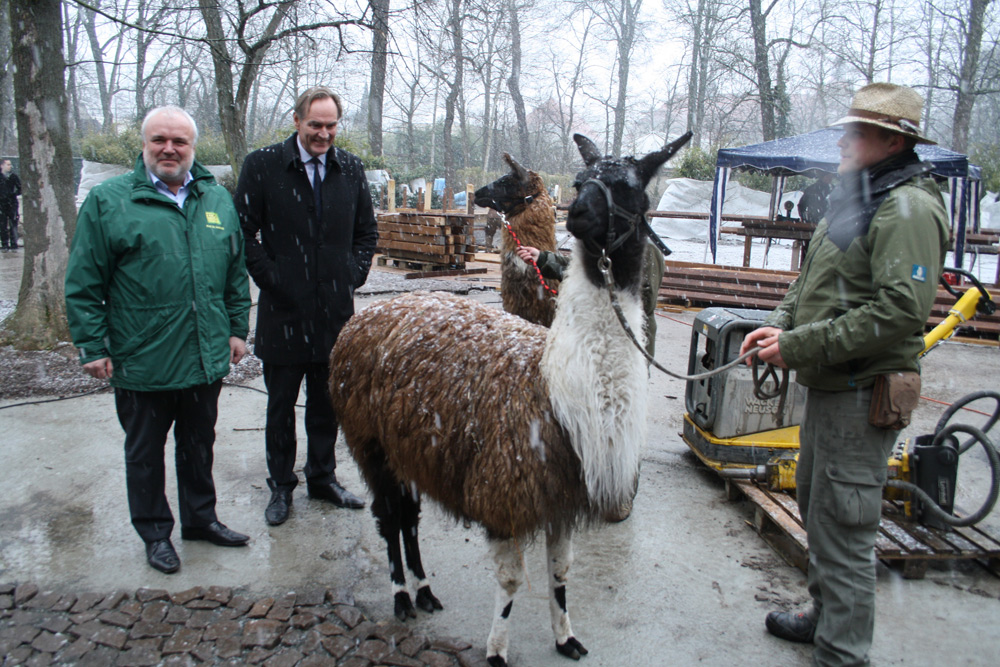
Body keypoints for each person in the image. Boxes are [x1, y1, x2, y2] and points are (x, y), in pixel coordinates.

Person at [739, 83, 949, 665]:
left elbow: (899, 312)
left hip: (862, 394)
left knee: (848, 527)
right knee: (817, 504)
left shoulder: (907, 207)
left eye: (854, 131)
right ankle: (824, 613)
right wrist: (780, 323)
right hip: (832, 386)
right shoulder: (860, 197)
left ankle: (842, 651)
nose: (842, 140)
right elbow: (812, 283)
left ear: (889, 139)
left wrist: (799, 343)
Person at [65, 106, 252, 574]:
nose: (169, 149)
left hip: (204, 352)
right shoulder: (110, 201)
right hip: (141, 357)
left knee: (198, 446)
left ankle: (200, 520)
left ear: (193, 147)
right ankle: (154, 534)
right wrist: (93, 345)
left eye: (179, 141)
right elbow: (84, 279)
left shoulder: (215, 201)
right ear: (144, 145)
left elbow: (234, 271)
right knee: (145, 453)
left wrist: (235, 328)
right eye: (159, 140)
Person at [235, 86, 378, 527]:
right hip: (283, 313)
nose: (323, 133)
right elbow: (243, 234)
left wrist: (351, 275)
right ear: (297, 121)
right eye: (315, 124)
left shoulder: (350, 170)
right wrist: (273, 278)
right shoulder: (264, 166)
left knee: (326, 404)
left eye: (331, 125)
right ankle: (281, 486)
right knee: (279, 406)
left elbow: (366, 234)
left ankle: (322, 477)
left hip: (334, 315)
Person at [516, 238, 665, 522]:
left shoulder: (644, 252)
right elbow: (577, 270)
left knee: (621, 421)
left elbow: (640, 300)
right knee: (588, 415)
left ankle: (620, 495)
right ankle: (590, 484)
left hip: (624, 350)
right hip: (593, 346)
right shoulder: (600, 246)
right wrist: (544, 258)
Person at [0, 159, 21, 252]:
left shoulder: (13, 176)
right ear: (2, 166)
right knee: (2, 224)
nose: (10, 166)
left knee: (13, 223)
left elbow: (20, 188)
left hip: (12, 203)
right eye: (8, 164)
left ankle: (14, 244)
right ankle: (4, 244)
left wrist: (13, 194)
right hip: (1, 203)